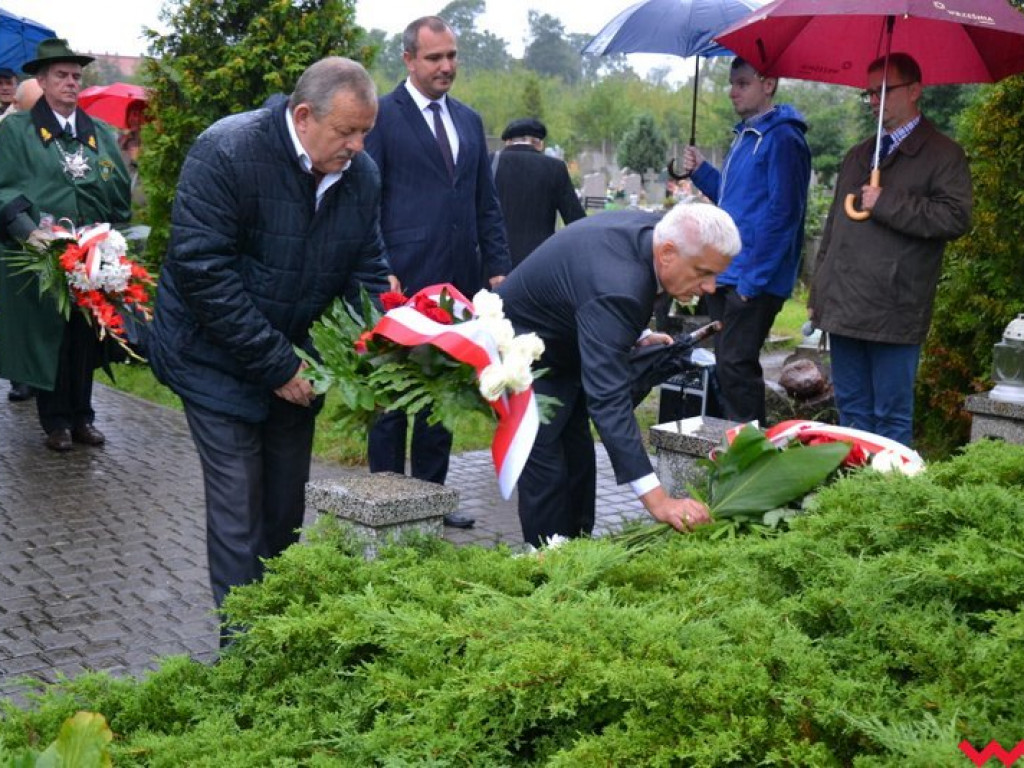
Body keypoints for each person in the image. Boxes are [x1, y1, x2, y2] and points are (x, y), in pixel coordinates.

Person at [147, 57, 391, 616]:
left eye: (364, 133)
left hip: (298, 368)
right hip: (211, 360)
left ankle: (276, 634)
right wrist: (277, 366)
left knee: (283, 515)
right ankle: (241, 660)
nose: (357, 146)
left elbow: (369, 272)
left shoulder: (362, 176)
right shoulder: (227, 151)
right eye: (346, 131)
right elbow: (202, 271)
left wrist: (377, 350)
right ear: (303, 116)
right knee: (240, 512)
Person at [497, 203, 742, 547]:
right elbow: (608, 402)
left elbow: (604, 298)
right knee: (548, 467)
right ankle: (545, 566)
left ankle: (580, 550)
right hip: (523, 356)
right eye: (703, 272)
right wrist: (659, 501)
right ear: (669, 253)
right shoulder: (618, 285)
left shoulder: (659, 237)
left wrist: (636, 334)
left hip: (565, 348)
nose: (711, 288)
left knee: (579, 462)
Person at [365, 15, 511, 529]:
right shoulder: (381, 116)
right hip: (398, 285)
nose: (446, 66)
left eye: (451, 56)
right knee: (391, 397)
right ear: (408, 59)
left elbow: (485, 204)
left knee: (441, 393)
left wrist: (497, 271)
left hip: (458, 284)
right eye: (434, 57)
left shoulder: (469, 121)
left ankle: (430, 498)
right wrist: (379, 269)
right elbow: (368, 199)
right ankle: (385, 501)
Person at [808, 52, 971, 447]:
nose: (874, 101)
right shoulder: (858, 155)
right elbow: (834, 231)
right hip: (844, 307)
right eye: (869, 93)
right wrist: (819, 294)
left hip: (895, 308)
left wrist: (887, 202)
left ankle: (889, 504)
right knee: (851, 414)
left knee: (891, 419)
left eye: (884, 90)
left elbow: (955, 217)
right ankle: (853, 503)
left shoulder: (944, 154)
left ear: (916, 90)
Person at [0, 39, 131, 449]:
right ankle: (55, 422)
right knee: (49, 337)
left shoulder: (102, 136)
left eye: (76, 76)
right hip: (42, 255)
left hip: (90, 256)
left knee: (84, 336)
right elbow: (2, 189)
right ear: (41, 81)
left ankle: (83, 417)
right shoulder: (16, 131)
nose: (71, 83)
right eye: (62, 75)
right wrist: (27, 232)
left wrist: (111, 239)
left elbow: (119, 194)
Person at [681, 57, 811, 425]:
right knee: (727, 367)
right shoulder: (746, 135)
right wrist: (702, 171)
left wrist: (752, 283)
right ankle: (735, 446)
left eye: (741, 83)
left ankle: (750, 455)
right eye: (731, 83)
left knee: (737, 366)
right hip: (729, 272)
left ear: (768, 84)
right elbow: (733, 197)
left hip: (753, 278)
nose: (732, 91)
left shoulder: (784, 139)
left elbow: (783, 214)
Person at [491, 117, 585, 267]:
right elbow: (576, 220)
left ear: (508, 142)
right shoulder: (555, 168)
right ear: (539, 143)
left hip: (493, 262)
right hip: (539, 263)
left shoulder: (489, 163)